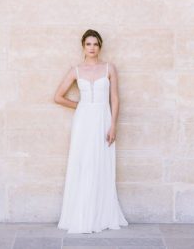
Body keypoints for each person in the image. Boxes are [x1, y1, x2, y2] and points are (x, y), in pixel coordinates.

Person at [54, 29, 128, 233]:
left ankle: (101, 214)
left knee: (101, 163)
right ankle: (80, 214)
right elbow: (58, 97)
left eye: (95, 44)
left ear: (100, 46)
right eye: (88, 44)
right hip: (83, 121)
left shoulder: (109, 68)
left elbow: (115, 98)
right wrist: (79, 105)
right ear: (83, 47)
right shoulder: (76, 70)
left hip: (103, 119)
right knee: (83, 163)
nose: (92, 48)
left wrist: (113, 125)